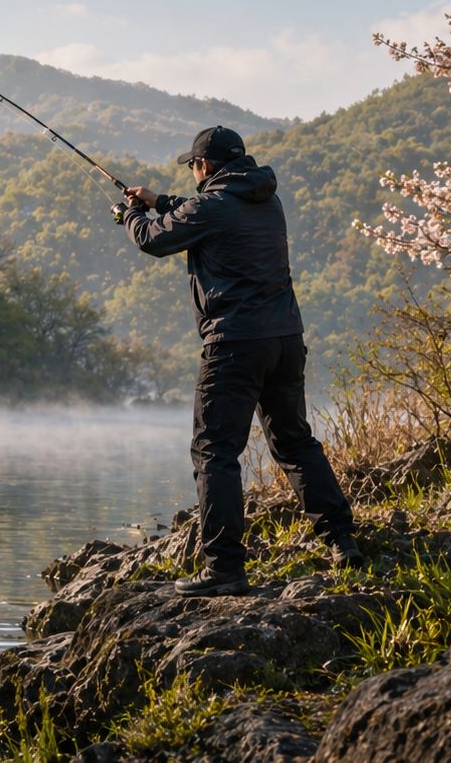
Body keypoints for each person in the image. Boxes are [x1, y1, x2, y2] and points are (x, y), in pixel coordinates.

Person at [120, 125, 361, 597]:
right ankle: (341, 539)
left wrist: (130, 213)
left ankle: (224, 568)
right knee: (294, 442)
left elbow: (153, 241)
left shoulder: (209, 207)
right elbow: (203, 213)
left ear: (205, 166)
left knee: (214, 451)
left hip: (234, 344)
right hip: (286, 339)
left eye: (193, 166)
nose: (193, 173)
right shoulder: (267, 202)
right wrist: (159, 199)